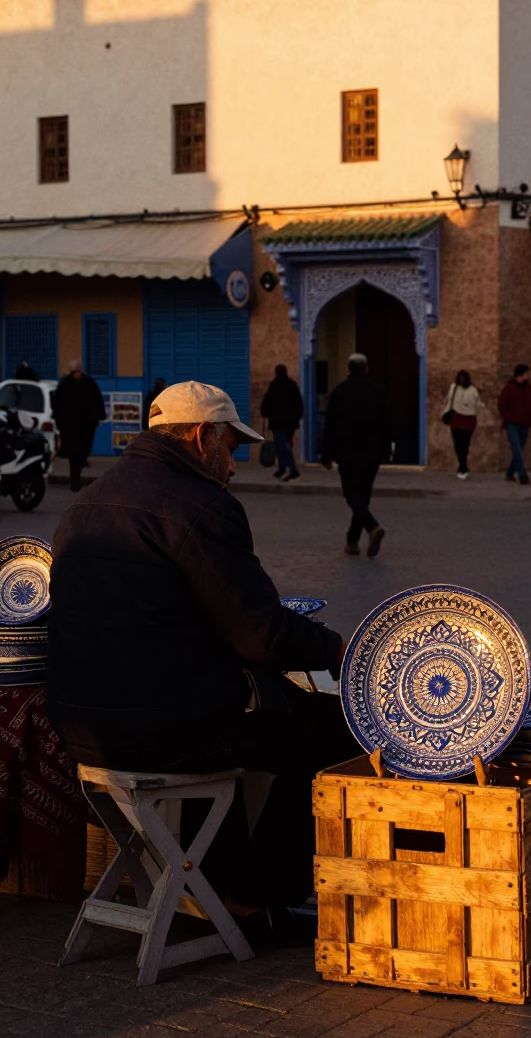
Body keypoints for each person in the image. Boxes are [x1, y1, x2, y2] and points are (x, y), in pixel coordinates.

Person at [47, 380, 357, 941]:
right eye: (230, 449)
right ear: (200, 436)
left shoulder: (86, 501)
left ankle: (224, 885)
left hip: (81, 724)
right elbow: (259, 633)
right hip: (155, 730)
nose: (234, 466)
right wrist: (335, 649)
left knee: (244, 713)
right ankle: (258, 898)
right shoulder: (201, 505)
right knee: (336, 731)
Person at [322, 353, 391, 557]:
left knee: (352, 495)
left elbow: (330, 425)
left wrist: (326, 454)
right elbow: (386, 423)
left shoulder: (339, 392)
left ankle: (371, 527)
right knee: (363, 495)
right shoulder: (378, 391)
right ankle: (352, 541)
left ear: (348, 369)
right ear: (366, 368)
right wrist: (386, 451)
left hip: (347, 452)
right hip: (371, 452)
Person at [53, 359, 106, 492]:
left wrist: (98, 416)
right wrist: (60, 423)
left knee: (82, 452)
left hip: (86, 426)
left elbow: (97, 401)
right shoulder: (65, 385)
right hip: (70, 428)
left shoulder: (89, 383)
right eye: (75, 372)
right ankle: (75, 482)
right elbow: (58, 406)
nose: (77, 374)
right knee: (74, 455)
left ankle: (78, 472)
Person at [260, 364, 303, 481]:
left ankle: (291, 469)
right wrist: (297, 417)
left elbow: (267, 402)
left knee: (281, 445)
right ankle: (283, 468)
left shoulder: (274, 385)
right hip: (290, 423)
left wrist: (264, 414)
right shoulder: (292, 385)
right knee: (287, 444)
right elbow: (299, 403)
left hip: (278, 422)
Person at [498, 363, 531, 485]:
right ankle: (522, 475)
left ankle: (510, 473)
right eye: (526, 373)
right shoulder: (509, 388)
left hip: (525, 423)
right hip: (512, 423)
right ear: (521, 374)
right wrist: (508, 418)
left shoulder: (528, 388)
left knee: (520, 449)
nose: (528, 376)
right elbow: (501, 404)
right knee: (517, 449)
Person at [443, 370, 483, 480]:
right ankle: (463, 466)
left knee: (465, 445)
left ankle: (463, 467)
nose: (462, 380)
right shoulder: (453, 387)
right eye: (460, 378)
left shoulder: (473, 390)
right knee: (457, 445)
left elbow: (477, 405)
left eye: (463, 378)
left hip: (468, 420)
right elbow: (449, 400)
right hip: (456, 418)